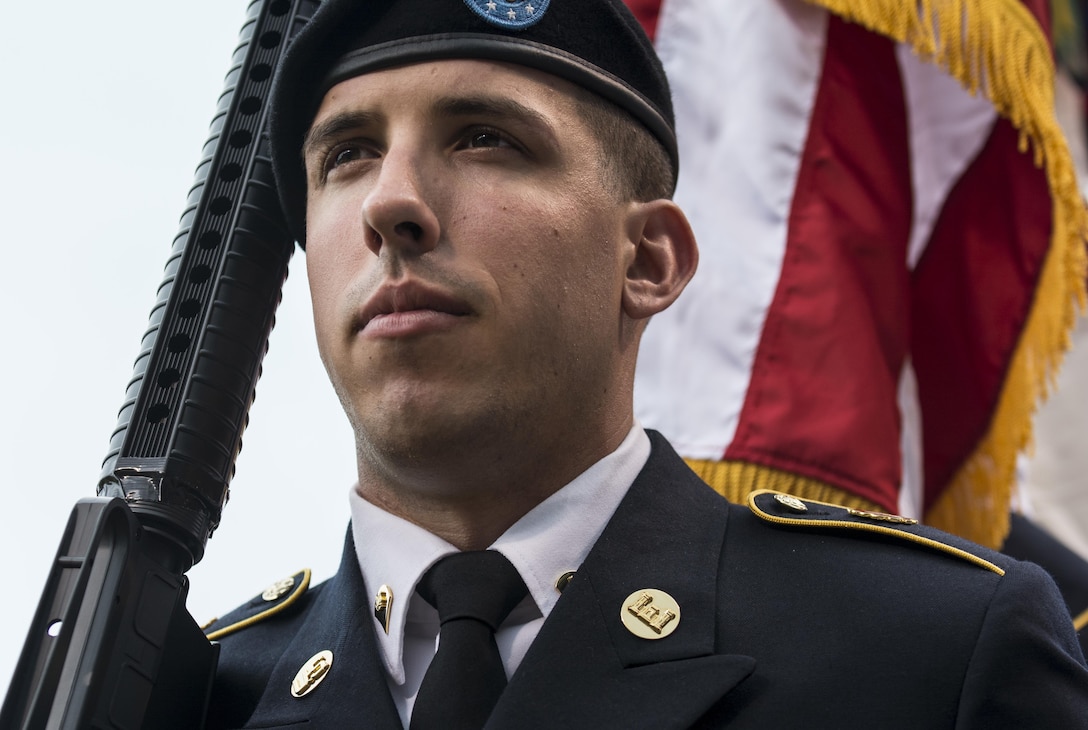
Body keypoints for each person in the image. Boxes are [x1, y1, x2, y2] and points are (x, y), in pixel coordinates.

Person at [199, 0, 1088, 727]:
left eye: (485, 139)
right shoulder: (190, 697)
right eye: (347, 156)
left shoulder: (932, 652)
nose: (391, 204)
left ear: (649, 261)